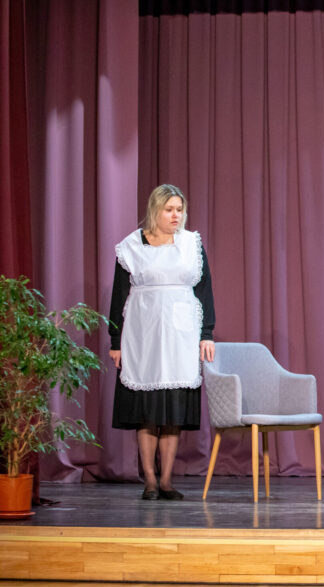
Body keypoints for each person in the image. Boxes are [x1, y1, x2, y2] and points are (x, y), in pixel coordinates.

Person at [109, 184, 216, 500]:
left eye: (179, 210)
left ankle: (166, 480)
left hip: (181, 336)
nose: (175, 215)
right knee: (147, 412)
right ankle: (150, 482)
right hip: (143, 336)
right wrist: (115, 340)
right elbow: (119, 296)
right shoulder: (131, 246)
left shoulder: (191, 244)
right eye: (169, 209)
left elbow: (204, 291)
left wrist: (206, 334)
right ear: (155, 210)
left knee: (173, 412)